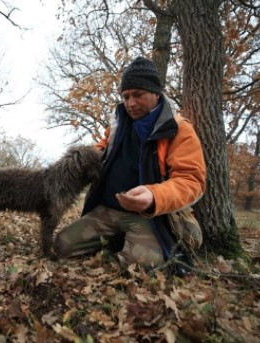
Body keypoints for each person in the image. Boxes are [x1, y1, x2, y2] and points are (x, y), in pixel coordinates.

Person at [54, 56, 206, 273]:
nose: (130, 103)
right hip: (108, 210)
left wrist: (153, 196)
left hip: (150, 217)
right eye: (125, 96)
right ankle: (117, 240)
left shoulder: (179, 129)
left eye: (138, 95)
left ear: (155, 92)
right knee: (62, 246)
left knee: (138, 266)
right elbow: (103, 147)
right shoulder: (118, 122)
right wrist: (82, 159)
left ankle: (133, 246)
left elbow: (192, 181)